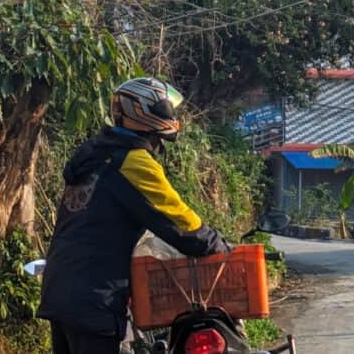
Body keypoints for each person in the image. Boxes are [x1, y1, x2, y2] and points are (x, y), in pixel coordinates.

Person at [38, 77, 229, 354]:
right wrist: (219, 245)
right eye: (166, 108)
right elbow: (180, 224)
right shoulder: (131, 161)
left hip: (61, 290)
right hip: (94, 299)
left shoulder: (95, 156)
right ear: (147, 112)